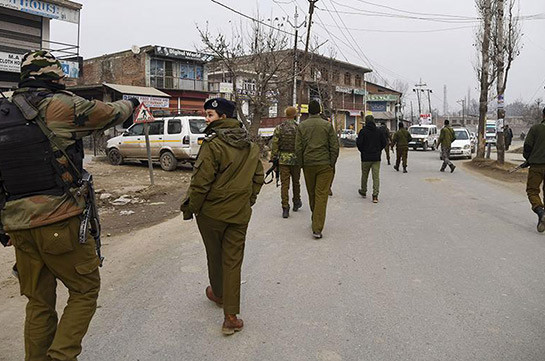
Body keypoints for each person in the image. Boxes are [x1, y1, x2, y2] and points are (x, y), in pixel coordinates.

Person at [0, 50, 137, 361]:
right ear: (53, 76)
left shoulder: (3, 112)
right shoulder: (59, 105)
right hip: (59, 219)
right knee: (85, 290)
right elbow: (111, 113)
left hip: (19, 226)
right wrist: (132, 103)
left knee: (38, 303)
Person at [181, 98, 264, 334]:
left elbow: (200, 183)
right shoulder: (250, 144)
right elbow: (258, 177)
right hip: (239, 214)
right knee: (233, 261)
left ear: (223, 118)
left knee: (215, 255)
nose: (206, 119)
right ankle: (230, 316)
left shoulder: (212, 145)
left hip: (211, 214)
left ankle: (217, 294)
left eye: (210, 115)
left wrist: (191, 208)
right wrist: (248, 200)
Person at [295, 100, 339, 239]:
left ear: (308, 111)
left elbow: (298, 148)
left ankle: (316, 219)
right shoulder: (327, 125)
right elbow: (334, 147)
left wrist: (302, 164)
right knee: (321, 195)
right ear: (319, 111)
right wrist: (331, 164)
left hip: (308, 164)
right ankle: (317, 227)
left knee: (312, 193)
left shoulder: (302, 126)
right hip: (324, 165)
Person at [271, 106, 302, 218]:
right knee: (296, 182)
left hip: (283, 160)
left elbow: (274, 144)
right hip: (296, 159)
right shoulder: (299, 128)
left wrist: (274, 158)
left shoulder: (280, 127)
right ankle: (296, 202)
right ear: (295, 115)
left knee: (285, 185)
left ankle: (285, 207)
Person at [523, 107, 545, 233]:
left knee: (532, 190)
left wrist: (528, 158)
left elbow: (527, 146)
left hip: (536, 166)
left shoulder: (536, 128)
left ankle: (540, 212)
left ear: (543, 115)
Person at [357, 115, 387, 203]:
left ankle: (363, 191)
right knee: (376, 177)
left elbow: (359, 143)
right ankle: (375, 196)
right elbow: (384, 143)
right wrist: (378, 150)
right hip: (376, 158)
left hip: (365, 158)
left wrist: (363, 151)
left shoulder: (363, 131)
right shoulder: (379, 131)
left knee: (364, 175)